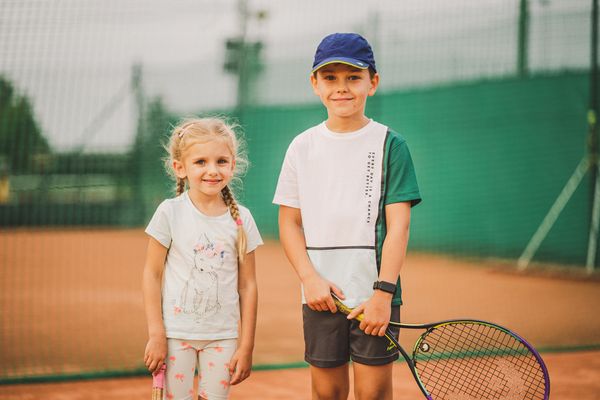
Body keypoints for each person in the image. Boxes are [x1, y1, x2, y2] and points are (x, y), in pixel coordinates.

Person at [273, 33, 421, 400]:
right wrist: (310, 279)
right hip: (320, 297)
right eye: (330, 78)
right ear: (315, 84)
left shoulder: (391, 145)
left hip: (373, 297)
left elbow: (399, 226)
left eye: (353, 78)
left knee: (373, 395)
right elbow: (289, 222)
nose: (342, 88)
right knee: (327, 394)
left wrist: (383, 295)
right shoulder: (301, 146)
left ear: (373, 82)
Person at [142, 117, 263, 400]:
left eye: (221, 161)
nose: (212, 170)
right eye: (200, 162)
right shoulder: (169, 212)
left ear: (233, 164)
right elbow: (152, 274)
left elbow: (248, 286)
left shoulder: (242, 219)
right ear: (179, 168)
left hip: (223, 338)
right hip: (175, 337)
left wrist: (246, 346)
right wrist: (157, 333)